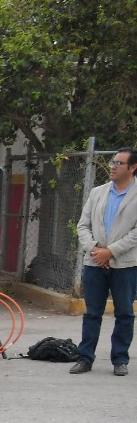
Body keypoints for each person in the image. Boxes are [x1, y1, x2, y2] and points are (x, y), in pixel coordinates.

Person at [72, 145, 137, 375]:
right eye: (112, 163)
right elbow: (83, 225)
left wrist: (111, 252)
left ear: (133, 167)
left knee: (124, 313)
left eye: (119, 163)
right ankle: (85, 358)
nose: (113, 166)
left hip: (125, 264)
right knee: (92, 313)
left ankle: (120, 360)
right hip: (95, 263)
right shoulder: (98, 192)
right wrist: (96, 250)